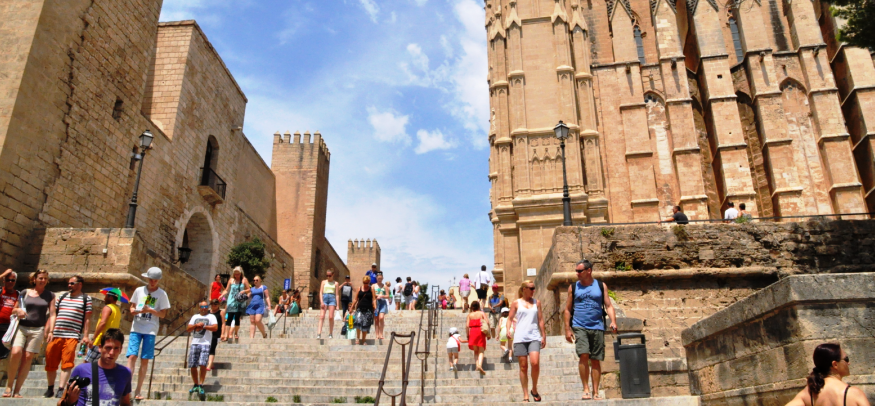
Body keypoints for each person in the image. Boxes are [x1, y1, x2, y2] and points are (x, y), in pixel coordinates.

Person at [564, 260, 618, 401]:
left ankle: (595, 391)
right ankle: (586, 389)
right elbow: (567, 309)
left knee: (595, 359)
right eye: (576, 271)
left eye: (579, 271)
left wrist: (613, 321)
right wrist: (567, 329)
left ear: (589, 271)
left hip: (597, 325)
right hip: (579, 325)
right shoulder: (573, 287)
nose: (577, 273)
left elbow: (608, 305)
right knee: (584, 355)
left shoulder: (601, 286)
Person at [4, 269, 55, 398]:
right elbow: (13, 309)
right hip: (22, 327)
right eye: (40, 278)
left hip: (37, 329)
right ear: (34, 279)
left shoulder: (50, 295)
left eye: (45, 278)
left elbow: (53, 314)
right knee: (15, 352)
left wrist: (51, 331)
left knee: (28, 358)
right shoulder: (25, 292)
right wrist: (18, 311)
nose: (43, 280)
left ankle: (17, 390)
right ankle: (9, 386)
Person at [45, 275, 93, 398]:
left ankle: (61, 388)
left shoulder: (86, 299)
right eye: (69, 283)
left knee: (67, 362)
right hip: (56, 334)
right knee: (50, 360)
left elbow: (87, 319)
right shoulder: (62, 297)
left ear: (80, 284)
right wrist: (49, 330)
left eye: (72, 283)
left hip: (72, 335)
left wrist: (86, 336)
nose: (69, 285)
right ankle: (50, 387)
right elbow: (53, 314)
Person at [127, 267, 171, 401]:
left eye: (155, 280)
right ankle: (126, 389)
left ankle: (138, 389)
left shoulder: (162, 294)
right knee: (131, 357)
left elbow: (163, 314)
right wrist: (134, 311)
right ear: (147, 278)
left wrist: (151, 310)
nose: (153, 282)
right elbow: (132, 306)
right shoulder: (139, 290)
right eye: (151, 279)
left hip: (150, 329)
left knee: (144, 360)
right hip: (136, 327)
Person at [57, 328, 132, 406]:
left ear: (121, 350)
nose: (112, 353)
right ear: (100, 348)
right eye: (108, 348)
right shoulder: (81, 370)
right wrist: (70, 401)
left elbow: (125, 403)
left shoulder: (125, 373)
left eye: (116, 348)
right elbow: (60, 403)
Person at [784, 343, 869, 406]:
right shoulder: (853, 393)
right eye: (846, 359)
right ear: (835, 364)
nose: (849, 363)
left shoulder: (810, 392)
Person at [507, 280, 547, 402]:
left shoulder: (537, 303)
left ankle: (534, 389)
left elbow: (540, 319)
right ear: (524, 289)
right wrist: (508, 329)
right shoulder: (516, 303)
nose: (533, 290)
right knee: (523, 366)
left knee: (535, 363)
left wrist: (543, 335)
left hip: (534, 336)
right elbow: (509, 318)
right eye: (531, 288)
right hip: (520, 337)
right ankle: (525, 394)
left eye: (534, 288)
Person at [186, 301, 218, 396]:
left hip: (205, 343)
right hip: (195, 343)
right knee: (192, 365)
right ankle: (195, 383)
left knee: (203, 364)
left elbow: (215, 328)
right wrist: (196, 325)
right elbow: (188, 329)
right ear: (199, 308)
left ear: (208, 307)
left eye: (205, 306)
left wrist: (203, 326)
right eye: (202, 306)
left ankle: (201, 384)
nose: (204, 308)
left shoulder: (211, 317)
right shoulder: (194, 317)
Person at [84, 290, 122, 364]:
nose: (104, 298)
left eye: (105, 296)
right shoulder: (117, 310)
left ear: (110, 297)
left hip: (100, 341)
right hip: (110, 342)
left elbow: (102, 323)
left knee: (87, 364)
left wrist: (93, 338)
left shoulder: (107, 307)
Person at [350, 276, 377, 345]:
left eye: (367, 283)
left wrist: (375, 307)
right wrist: (352, 306)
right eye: (364, 282)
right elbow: (356, 299)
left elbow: (374, 299)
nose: (365, 284)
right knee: (358, 322)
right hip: (359, 308)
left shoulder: (371, 289)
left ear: (369, 282)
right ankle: (358, 338)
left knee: (365, 325)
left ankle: (364, 340)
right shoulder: (359, 288)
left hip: (368, 309)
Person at [0, 269, 19, 360]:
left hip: (8, 329)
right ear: (4, 281)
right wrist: (3, 274)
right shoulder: (0, 290)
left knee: (3, 354)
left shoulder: (18, 294)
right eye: (8, 280)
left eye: (13, 280)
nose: (10, 282)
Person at [466, 300, 489, 374]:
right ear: (479, 306)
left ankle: (477, 366)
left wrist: (467, 335)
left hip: (472, 331)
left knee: (475, 351)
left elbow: (467, 326)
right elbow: (487, 322)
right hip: (480, 331)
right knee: (481, 351)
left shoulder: (469, 315)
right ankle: (479, 365)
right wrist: (488, 333)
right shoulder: (482, 313)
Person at [317, 270, 338, 339]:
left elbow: (337, 295)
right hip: (325, 297)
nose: (328, 277)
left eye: (330, 275)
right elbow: (320, 292)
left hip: (332, 298)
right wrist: (321, 302)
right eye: (327, 275)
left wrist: (337, 305)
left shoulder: (336, 283)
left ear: (333, 275)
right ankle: (319, 333)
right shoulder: (323, 282)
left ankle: (330, 333)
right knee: (322, 316)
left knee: (331, 317)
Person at [206, 299, 224, 371]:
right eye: (212, 304)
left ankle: (209, 365)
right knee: (207, 348)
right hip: (207, 333)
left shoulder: (220, 312)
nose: (213, 306)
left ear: (218, 305)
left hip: (216, 333)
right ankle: (211, 363)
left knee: (212, 348)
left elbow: (223, 323)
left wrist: (223, 333)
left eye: (215, 304)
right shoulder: (207, 312)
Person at [374, 273, 389, 340]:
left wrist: (382, 296)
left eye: (381, 278)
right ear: (376, 278)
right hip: (376, 303)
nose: (379, 279)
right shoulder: (373, 286)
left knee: (381, 317)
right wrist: (377, 296)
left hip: (383, 302)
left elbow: (388, 296)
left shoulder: (385, 286)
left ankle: (381, 334)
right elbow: (372, 294)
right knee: (376, 319)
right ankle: (377, 335)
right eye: (378, 278)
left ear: (382, 278)